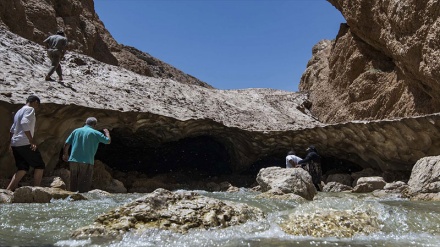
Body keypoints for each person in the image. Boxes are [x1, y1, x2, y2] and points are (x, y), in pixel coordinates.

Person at [6, 95, 45, 191]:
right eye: (38, 105)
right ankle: (37, 191)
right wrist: (31, 140)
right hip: (24, 142)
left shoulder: (19, 111)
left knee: (22, 168)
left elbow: (12, 129)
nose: (37, 108)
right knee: (39, 165)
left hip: (15, 143)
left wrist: (11, 143)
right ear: (35, 102)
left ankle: (8, 191)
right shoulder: (30, 109)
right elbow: (24, 123)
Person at [62, 117, 111, 192]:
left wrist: (65, 154)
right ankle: (81, 199)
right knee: (84, 184)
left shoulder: (76, 131)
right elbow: (108, 141)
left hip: (73, 160)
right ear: (95, 125)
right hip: (87, 161)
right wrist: (107, 133)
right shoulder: (95, 133)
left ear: (85, 123)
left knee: (73, 182)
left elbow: (66, 143)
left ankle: (72, 199)